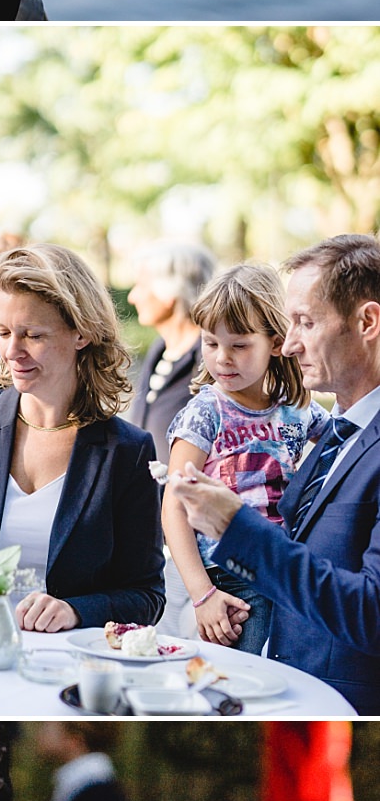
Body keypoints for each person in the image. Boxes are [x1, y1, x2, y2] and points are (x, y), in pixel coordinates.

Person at [168, 234, 380, 714]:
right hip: (256, 644)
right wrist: (204, 595)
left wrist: (236, 527)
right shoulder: (339, 432)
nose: (291, 342)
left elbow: (371, 612)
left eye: (305, 322)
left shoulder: (306, 420)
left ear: (367, 322)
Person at [0, 243, 164, 631]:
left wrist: (77, 610)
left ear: (81, 333)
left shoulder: (128, 452)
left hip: (65, 666)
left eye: (32, 335)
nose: (12, 351)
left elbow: (146, 594)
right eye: (3, 332)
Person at [160, 263, 320, 653]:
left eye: (240, 345)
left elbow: (351, 441)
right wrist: (202, 595)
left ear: (276, 343)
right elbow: (174, 508)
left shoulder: (299, 410)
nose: (222, 359)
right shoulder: (206, 412)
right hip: (228, 578)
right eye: (212, 343)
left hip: (283, 570)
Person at [125, 240, 218, 464]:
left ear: (168, 292)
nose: (132, 296)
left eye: (141, 285)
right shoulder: (160, 350)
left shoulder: (209, 360)